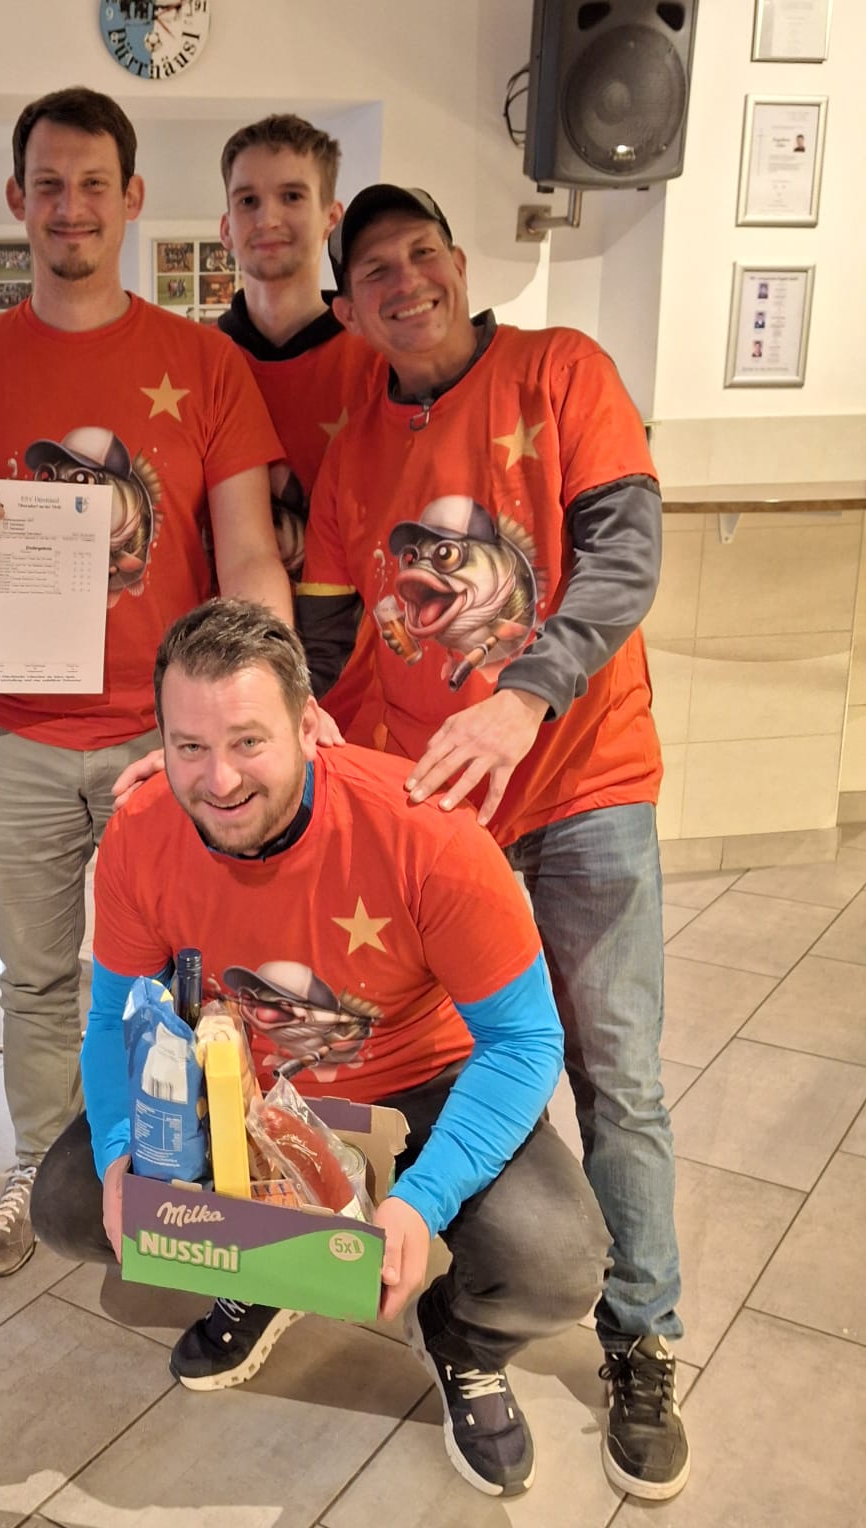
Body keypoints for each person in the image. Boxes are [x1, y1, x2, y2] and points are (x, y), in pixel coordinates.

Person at [31, 599, 608, 1499]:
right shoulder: (142, 830)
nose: (218, 779)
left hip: (419, 1082)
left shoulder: (429, 835)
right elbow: (113, 1018)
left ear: (310, 726)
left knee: (558, 1262)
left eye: (248, 742)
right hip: (241, 1094)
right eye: (189, 746)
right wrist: (115, 1158)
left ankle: (461, 1337)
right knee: (70, 1203)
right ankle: (268, 1271)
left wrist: (419, 1202)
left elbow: (524, 1039)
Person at [297, 183, 687, 1500]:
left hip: (584, 784)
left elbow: (622, 558)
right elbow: (334, 645)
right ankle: (464, 1305)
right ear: (348, 307)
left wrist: (525, 696)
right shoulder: (354, 448)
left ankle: (640, 1336)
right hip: (436, 803)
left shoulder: (561, 370)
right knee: (437, 1062)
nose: (405, 281)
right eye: (376, 270)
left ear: (459, 264)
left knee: (615, 1070)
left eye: (422, 254)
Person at [0, 86, 290, 1278]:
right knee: (37, 975)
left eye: (93, 185)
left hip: (162, 743)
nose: (71, 206)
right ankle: (38, 1166)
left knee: (179, 977)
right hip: (13, 735)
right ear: (17, 199)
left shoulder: (203, 363)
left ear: (132, 199)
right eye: (49, 185)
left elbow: (248, 553)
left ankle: (182, 1178)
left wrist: (278, 702)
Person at [213, 113, 375, 731]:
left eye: (291, 196)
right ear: (226, 227)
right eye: (248, 200)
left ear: (331, 215)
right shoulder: (197, 364)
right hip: (232, 685)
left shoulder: (378, 359)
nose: (268, 218)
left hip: (367, 684)